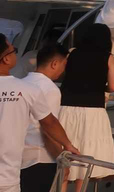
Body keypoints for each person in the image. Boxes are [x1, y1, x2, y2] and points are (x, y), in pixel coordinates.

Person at [0, 34, 79, 192]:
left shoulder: (26, 84)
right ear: (6, 59)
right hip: (17, 170)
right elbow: (48, 124)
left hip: (20, 164)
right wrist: (67, 147)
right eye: (13, 50)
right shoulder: (30, 89)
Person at [58, 25, 114, 192]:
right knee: (86, 155)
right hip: (93, 111)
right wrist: (101, 88)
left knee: (64, 156)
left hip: (67, 108)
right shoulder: (108, 58)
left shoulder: (72, 52)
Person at [19, 43, 69, 192]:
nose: (63, 69)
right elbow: (48, 128)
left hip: (19, 158)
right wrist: (61, 159)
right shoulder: (50, 89)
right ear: (54, 64)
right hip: (40, 158)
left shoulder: (22, 83)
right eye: (64, 64)